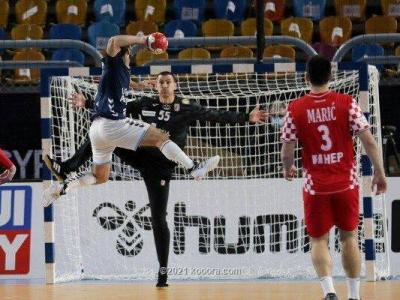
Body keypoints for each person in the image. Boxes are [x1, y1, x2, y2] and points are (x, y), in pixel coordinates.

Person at [44, 70, 268, 287]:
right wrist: (88, 103)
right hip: (139, 154)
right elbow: (117, 109)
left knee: (158, 217)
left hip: (161, 167)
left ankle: (163, 271)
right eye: (160, 82)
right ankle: (67, 167)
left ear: (174, 86)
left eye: (167, 82)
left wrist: (247, 117)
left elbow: (215, 116)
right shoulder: (145, 103)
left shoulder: (186, 107)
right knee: (103, 130)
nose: (163, 86)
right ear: (156, 85)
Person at [44, 33, 221, 206]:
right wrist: (145, 40)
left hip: (97, 130)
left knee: (100, 177)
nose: (131, 56)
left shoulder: (121, 74)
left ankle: (64, 187)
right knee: (160, 138)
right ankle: (194, 168)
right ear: (124, 55)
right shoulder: (115, 64)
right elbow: (114, 40)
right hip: (113, 124)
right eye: (129, 53)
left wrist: (138, 85)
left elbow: (121, 86)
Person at [280, 55, 387, 300]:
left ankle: (329, 291)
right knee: (349, 236)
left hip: (316, 186)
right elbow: (369, 141)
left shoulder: (295, 108)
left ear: (306, 77)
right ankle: (354, 295)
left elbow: (287, 148)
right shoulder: (347, 103)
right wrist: (379, 173)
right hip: (346, 184)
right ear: (331, 77)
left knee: (318, 239)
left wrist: (288, 167)